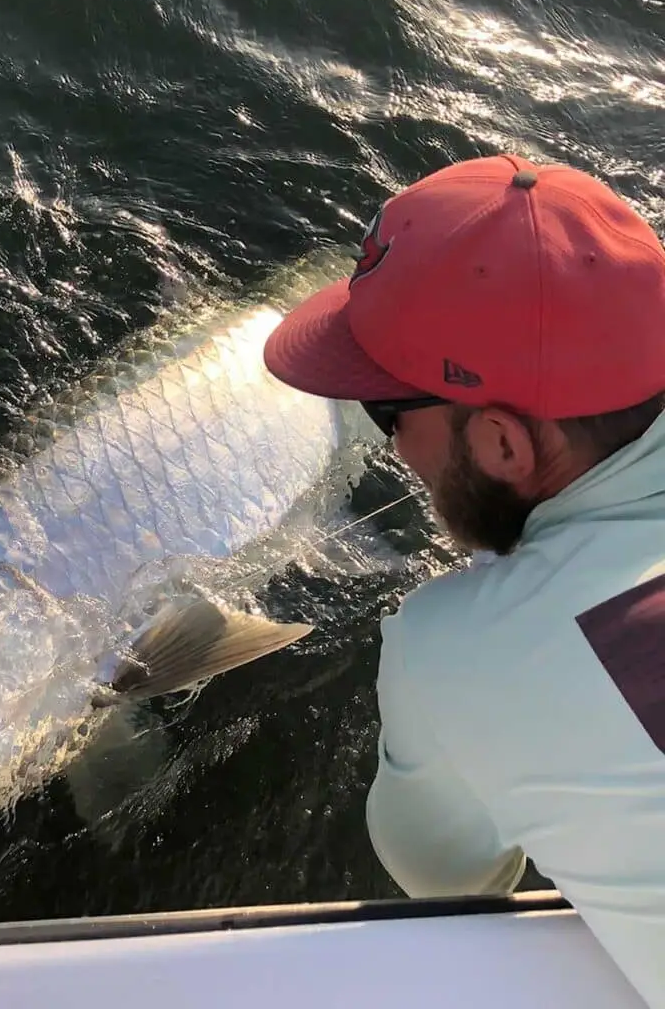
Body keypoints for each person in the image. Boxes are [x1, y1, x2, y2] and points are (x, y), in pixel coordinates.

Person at [262, 153, 665, 1008]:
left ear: (504, 446)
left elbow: (452, 879)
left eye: (387, 415)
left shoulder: (450, 648)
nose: (390, 449)